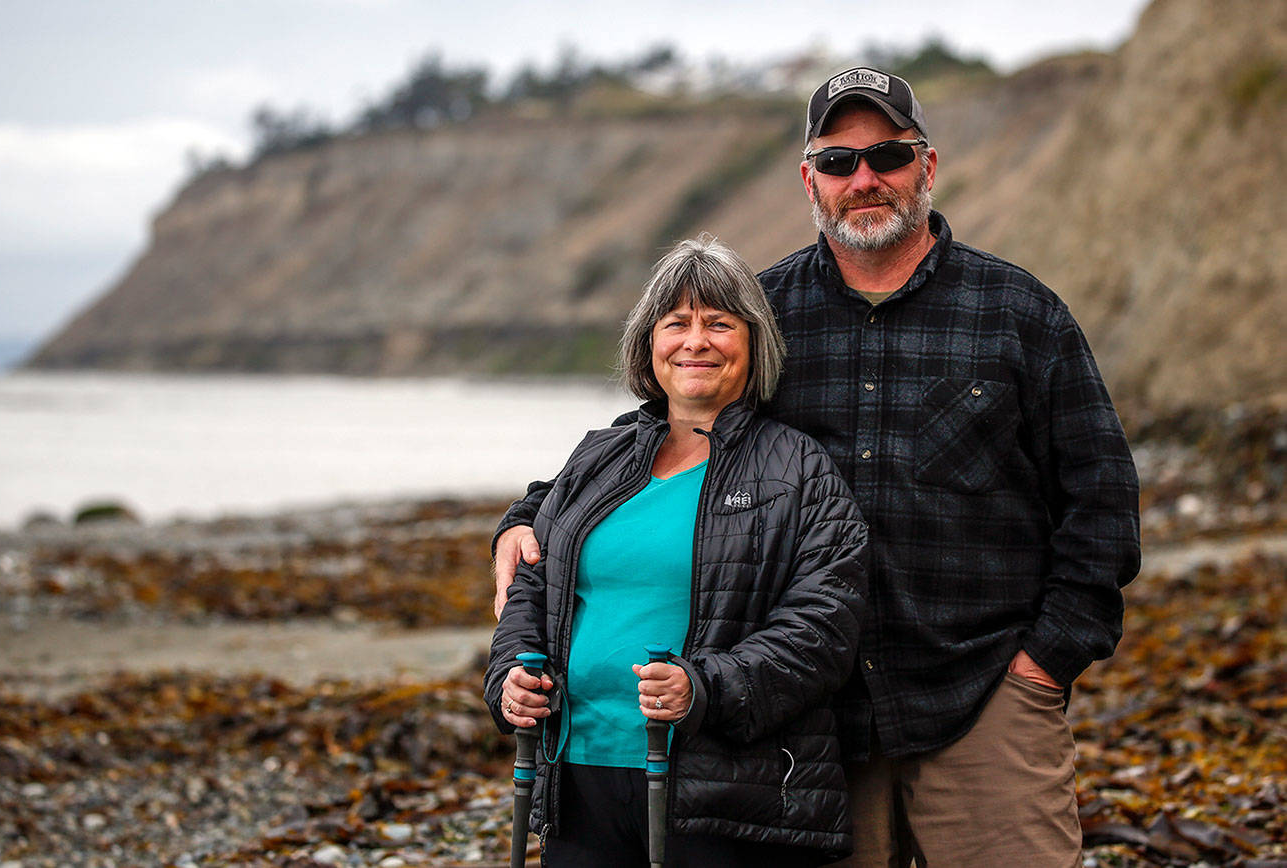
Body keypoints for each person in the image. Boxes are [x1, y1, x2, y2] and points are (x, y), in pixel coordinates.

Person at [493, 68, 1141, 868]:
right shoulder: (766, 313)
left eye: (888, 156)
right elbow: (658, 434)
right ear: (810, 178)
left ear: (927, 168)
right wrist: (528, 517)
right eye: (838, 162)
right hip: (817, 719)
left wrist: (1043, 665)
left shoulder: (1019, 313)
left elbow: (1103, 502)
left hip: (985, 695)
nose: (863, 179)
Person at [485, 237, 869, 867]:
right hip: (579, 775)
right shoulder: (599, 457)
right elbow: (533, 580)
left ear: (754, 344)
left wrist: (705, 687)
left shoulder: (798, 468)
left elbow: (825, 627)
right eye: (676, 324)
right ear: (649, 344)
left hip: (724, 791)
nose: (697, 341)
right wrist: (508, 680)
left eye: (719, 323)